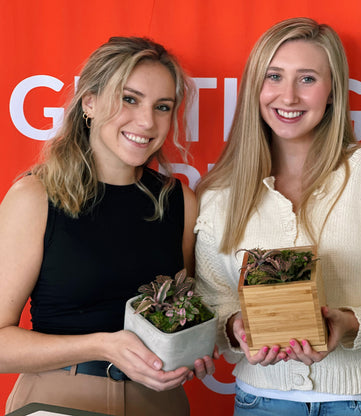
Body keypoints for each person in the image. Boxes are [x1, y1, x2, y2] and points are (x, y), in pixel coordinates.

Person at [194, 17, 361, 416]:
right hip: (262, 401)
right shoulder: (219, 195)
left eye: (308, 79)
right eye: (274, 76)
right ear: (254, 88)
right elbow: (212, 302)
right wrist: (234, 328)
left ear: (333, 92)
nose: (289, 96)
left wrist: (351, 323)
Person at [0, 36, 216, 416]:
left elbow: (185, 316)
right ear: (90, 102)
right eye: (129, 99)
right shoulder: (35, 197)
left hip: (159, 403)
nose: (147, 121)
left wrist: (192, 350)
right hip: (58, 399)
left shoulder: (180, 201)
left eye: (162, 106)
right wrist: (101, 346)